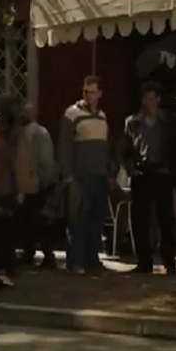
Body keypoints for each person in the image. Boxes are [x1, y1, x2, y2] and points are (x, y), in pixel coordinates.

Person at [121, 81, 176, 276]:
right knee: (140, 220)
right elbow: (125, 150)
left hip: (163, 173)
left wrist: (174, 169)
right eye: (145, 99)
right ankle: (144, 262)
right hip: (142, 173)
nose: (148, 103)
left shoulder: (171, 121)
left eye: (151, 99)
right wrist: (130, 169)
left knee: (165, 219)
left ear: (158, 100)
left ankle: (169, 260)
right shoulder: (133, 122)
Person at [0, 95, 37, 289]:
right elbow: (21, 163)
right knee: (7, 232)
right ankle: (5, 269)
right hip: (8, 189)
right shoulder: (18, 136)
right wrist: (22, 188)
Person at [59, 76, 114, 275]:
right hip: (80, 175)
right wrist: (68, 176)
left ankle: (92, 259)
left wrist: (108, 171)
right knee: (78, 219)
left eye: (92, 92)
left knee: (95, 219)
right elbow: (64, 146)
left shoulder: (102, 116)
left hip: (99, 175)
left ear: (99, 94)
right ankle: (76, 261)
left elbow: (105, 147)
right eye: (86, 92)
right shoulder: (72, 114)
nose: (88, 96)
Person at [19, 103, 59, 269]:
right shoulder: (28, 133)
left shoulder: (39, 134)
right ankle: (30, 252)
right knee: (30, 220)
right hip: (30, 182)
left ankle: (46, 254)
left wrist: (45, 181)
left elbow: (45, 160)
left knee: (38, 221)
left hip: (36, 183)